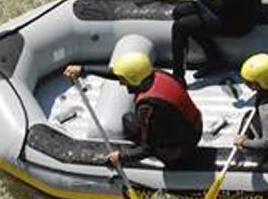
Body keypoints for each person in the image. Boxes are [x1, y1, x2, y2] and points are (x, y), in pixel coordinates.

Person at [63, 52, 202, 167]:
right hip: (191, 126)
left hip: (182, 147)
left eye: (123, 80)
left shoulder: (149, 106)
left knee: (130, 123)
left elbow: (149, 148)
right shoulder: (155, 74)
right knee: (129, 119)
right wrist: (85, 69)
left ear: (133, 79)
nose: (121, 83)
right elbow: (118, 74)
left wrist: (121, 157)